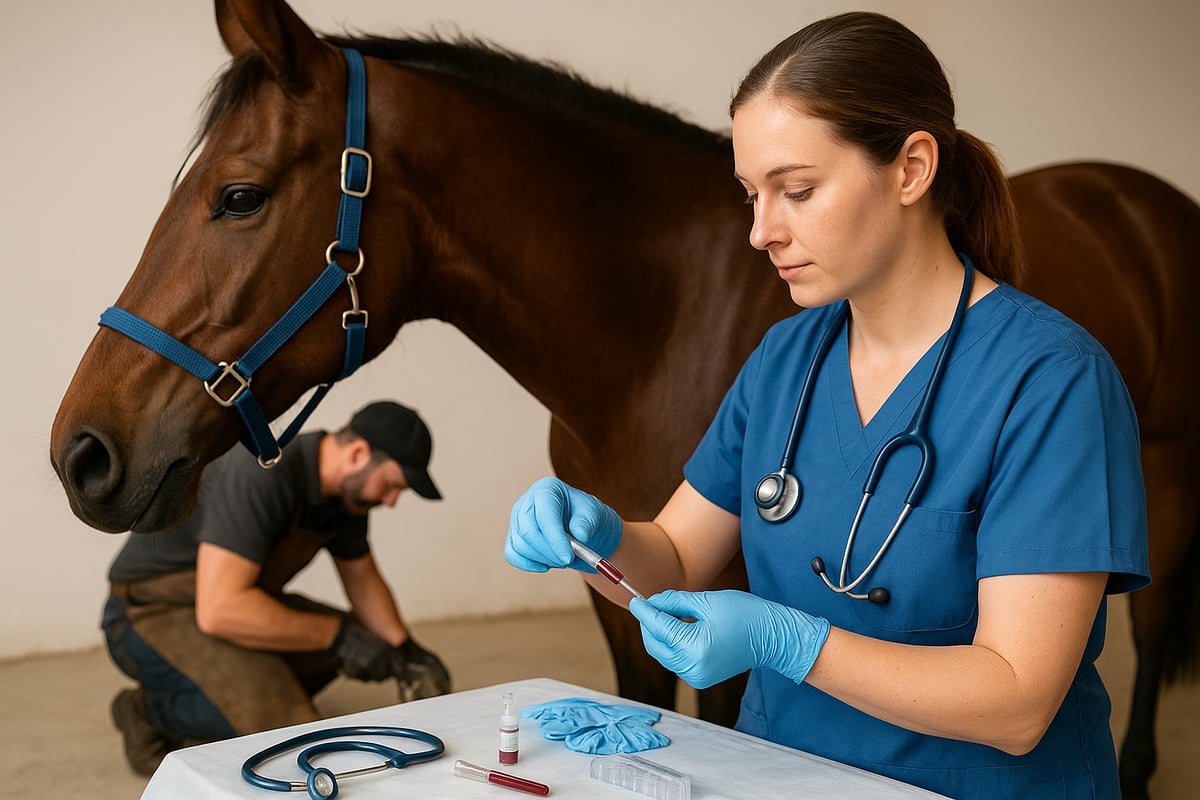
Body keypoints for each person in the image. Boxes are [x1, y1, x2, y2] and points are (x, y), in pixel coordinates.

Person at [505, 12, 1148, 799]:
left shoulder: (1051, 381)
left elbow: (1018, 701)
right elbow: (673, 558)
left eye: (798, 191)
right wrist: (596, 538)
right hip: (781, 778)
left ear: (912, 169)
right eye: (751, 195)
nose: (760, 232)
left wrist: (792, 643)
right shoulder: (787, 359)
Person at [103, 400, 452, 775]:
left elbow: (363, 579)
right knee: (290, 731)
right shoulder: (266, 470)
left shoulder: (345, 499)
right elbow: (220, 610)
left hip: (228, 601)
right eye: (392, 485)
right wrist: (336, 637)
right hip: (147, 612)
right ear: (358, 454)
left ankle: (238, 693)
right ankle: (146, 712)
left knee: (364, 642)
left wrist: (406, 651)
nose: (391, 501)